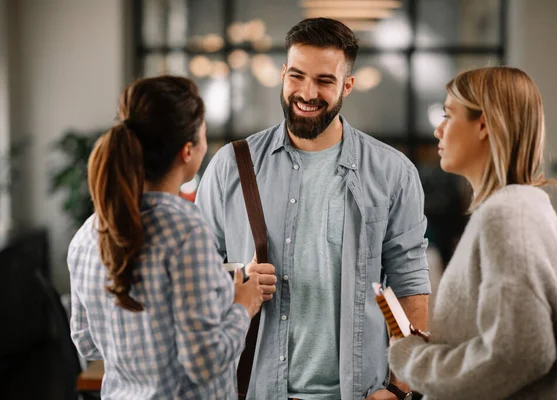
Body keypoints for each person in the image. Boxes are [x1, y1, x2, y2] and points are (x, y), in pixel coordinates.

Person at [196, 18, 430, 400]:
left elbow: (410, 288)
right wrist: (236, 280)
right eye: (297, 76)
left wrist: (399, 389)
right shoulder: (231, 166)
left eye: (324, 80)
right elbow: (195, 279)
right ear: (283, 74)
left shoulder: (392, 173)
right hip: (252, 390)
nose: (307, 92)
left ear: (347, 86)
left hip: (358, 393)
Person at [68, 76, 263, 399]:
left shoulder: (88, 233)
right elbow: (204, 362)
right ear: (188, 151)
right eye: (203, 134)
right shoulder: (185, 231)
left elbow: (86, 342)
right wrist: (243, 304)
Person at [388, 67, 557, 399]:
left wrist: (414, 358)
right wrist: (446, 345)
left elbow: (523, 352)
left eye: (448, 115)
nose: (438, 130)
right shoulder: (521, 207)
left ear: (485, 124)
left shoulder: (507, 216)